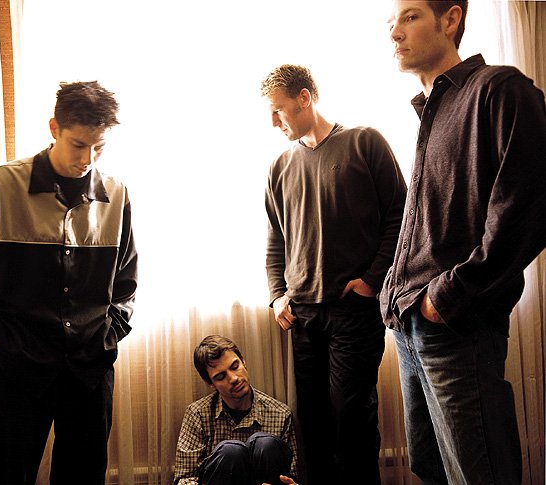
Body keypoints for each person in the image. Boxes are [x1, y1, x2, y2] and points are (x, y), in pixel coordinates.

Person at [382, 1, 546, 484]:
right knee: (430, 468)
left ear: (450, 20)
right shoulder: (431, 111)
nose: (394, 33)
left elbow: (528, 206)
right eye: (391, 22)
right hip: (410, 321)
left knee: (479, 475)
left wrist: (448, 295)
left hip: (455, 324)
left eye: (410, 17)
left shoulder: (499, 88)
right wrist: (395, 292)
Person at [0, 81, 138, 485]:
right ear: (54, 128)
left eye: (99, 147)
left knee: (83, 477)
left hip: (89, 369)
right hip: (16, 367)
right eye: (78, 145)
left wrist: (110, 333)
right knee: (4, 475)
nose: (88, 159)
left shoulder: (118, 194)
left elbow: (126, 281)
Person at [261, 65, 407, 484]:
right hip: (303, 315)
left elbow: (400, 216)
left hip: (353, 311)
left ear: (304, 98)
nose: (273, 122)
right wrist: (277, 294)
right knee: (313, 423)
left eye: (278, 110)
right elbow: (275, 240)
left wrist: (372, 280)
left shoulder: (365, 142)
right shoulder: (280, 166)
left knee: (352, 418)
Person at [174, 335, 299, 485]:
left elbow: (293, 475)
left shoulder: (281, 414)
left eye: (235, 367)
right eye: (221, 376)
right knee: (230, 452)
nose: (233, 378)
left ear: (243, 362)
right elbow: (184, 479)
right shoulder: (197, 414)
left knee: (266, 444)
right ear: (211, 383)